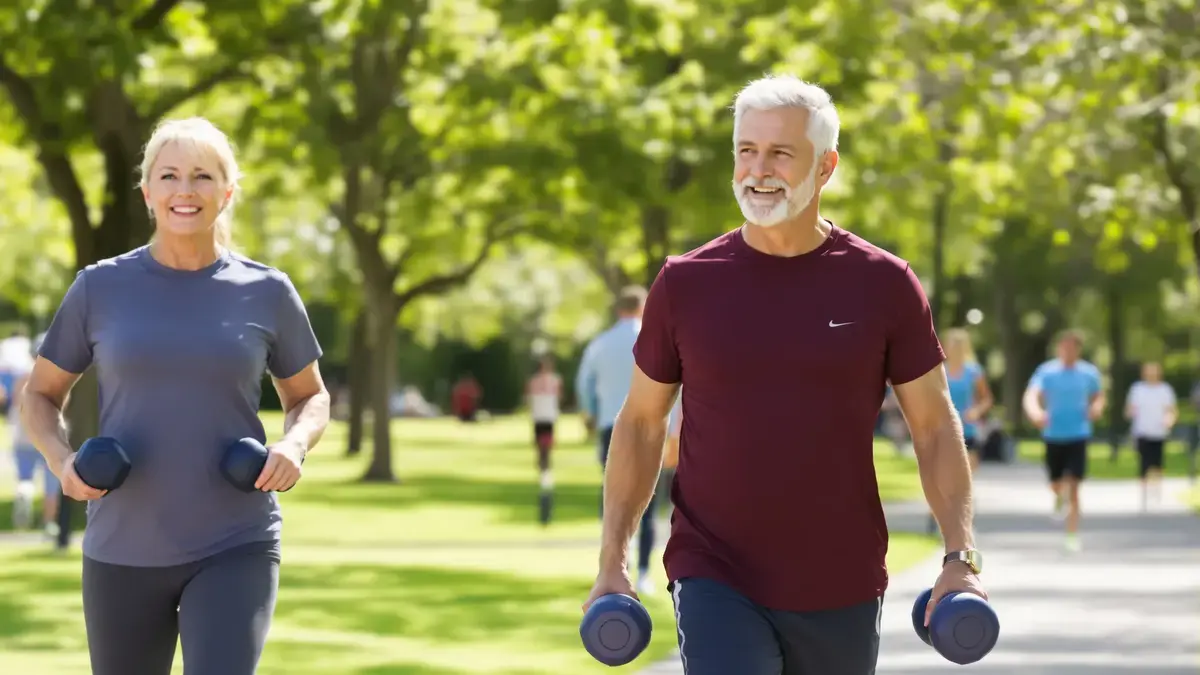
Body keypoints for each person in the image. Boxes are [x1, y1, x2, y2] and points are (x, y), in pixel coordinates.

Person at [582, 75, 986, 674]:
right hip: (713, 570)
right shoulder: (686, 284)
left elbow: (932, 425)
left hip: (841, 577)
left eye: (780, 153)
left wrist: (960, 556)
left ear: (825, 167)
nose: (758, 169)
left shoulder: (884, 284)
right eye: (746, 150)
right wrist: (613, 559)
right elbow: (641, 424)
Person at [20, 117, 329, 675]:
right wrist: (61, 461)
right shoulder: (98, 287)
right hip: (122, 546)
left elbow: (311, 396)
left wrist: (295, 444)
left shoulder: (268, 291)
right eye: (169, 176)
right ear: (147, 192)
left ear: (227, 193)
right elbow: (40, 394)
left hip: (236, 540)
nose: (185, 190)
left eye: (203, 176)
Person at [576, 285, 663, 596]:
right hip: (652, 426)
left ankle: (614, 566)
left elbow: (584, 383)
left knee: (613, 501)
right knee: (648, 501)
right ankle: (643, 572)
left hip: (609, 426)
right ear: (643, 308)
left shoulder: (600, 343)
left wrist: (590, 413)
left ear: (618, 310)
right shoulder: (654, 338)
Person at [1022, 329, 1104, 552]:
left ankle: (1072, 535)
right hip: (1053, 435)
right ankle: (1059, 495)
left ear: (1078, 350)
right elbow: (1031, 394)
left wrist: (1096, 407)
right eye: (1064, 346)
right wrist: (1035, 412)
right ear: (1059, 348)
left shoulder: (1088, 373)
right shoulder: (1046, 371)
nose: (1068, 351)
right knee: (1056, 483)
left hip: (1078, 434)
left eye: (1072, 347)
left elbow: (1098, 395)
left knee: (1074, 486)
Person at [6, 336, 60, 536]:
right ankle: (49, 524)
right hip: (48, 436)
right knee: (51, 484)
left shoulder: (22, 378)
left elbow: (14, 406)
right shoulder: (56, 377)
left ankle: (24, 492)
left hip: (23, 435)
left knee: (25, 477)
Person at [1125, 361, 1176, 511]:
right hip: (1142, 431)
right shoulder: (1137, 389)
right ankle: (1144, 493)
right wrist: (1130, 413)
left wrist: (1169, 420)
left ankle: (1156, 490)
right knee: (1144, 462)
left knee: (1157, 463)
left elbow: (1171, 409)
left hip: (1159, 432)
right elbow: (1130, 408)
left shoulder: (1165, 390)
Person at [944, 328, 994, 472]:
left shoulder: (974, 371)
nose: (955, 349)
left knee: (968, 467)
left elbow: (987, 399)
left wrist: (976, 411)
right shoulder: (940, 371)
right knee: (948, 470)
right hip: (945, 426)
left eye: (958, 345)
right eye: (952, 345)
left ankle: (966, 487)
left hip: (968, 427)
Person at [527, 355, 562, 524]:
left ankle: (544, 469)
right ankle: (544, 470)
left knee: (544, 448)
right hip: (543, 418)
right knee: (543, 448)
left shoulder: (539, 381)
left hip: (544, 418)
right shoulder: (551, 381)